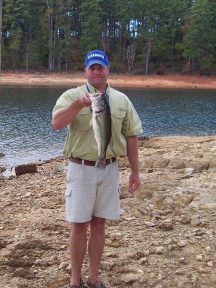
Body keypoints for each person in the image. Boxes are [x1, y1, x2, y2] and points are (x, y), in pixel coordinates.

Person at [51, 49, 143, 288]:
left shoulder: (122, 100)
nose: (96, 71)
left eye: (100, 67)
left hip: (110, 168)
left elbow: (131, 136)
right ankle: (74, 281)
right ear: (85, 72)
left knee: (100, 223)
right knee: (79, 224)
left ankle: (93, 278)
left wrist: (135, 171)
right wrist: (77, 104)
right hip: (80, 169)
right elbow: (56, 123)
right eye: (92, 68)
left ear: (107, 70)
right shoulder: (72, 95)